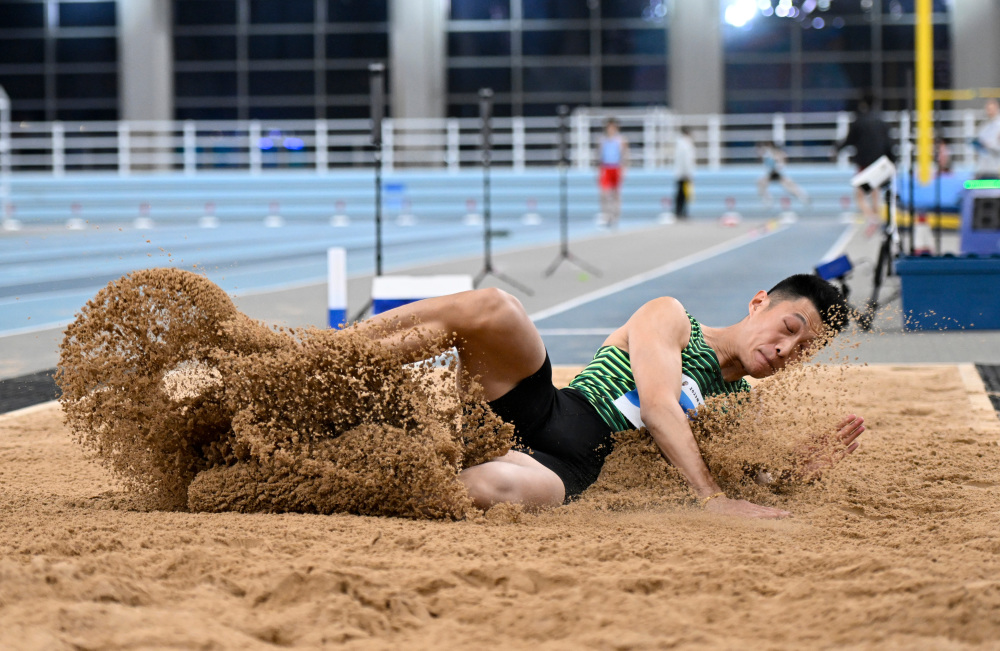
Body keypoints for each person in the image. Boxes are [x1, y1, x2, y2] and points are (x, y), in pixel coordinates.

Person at [351, 274, 864, 519]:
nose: (786, 349)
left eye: (805, 349)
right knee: (495, 306)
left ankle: (341, 476)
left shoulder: (739, 408)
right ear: (758, 303)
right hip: (549, 408)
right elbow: (660, 406)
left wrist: (786, 473)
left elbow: (738, 471)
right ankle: (323, 361)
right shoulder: (672, 318)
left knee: (488, 486)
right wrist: (713, 500)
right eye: (789, 327)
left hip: (572, 469)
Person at [834, 93, 895, 235]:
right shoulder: (882, 122)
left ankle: (872, 218)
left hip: (865, 165)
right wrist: (892, 162)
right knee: (875, 193)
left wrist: (836, 149)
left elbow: (848, 140)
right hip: (879, 165)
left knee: (860, 196)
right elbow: (889, 144)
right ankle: (876, 220)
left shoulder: (859, 121)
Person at [597, 118, 630, 227]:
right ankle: (606, 215)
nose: (610, 129)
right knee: (604, 193)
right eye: (609, 127)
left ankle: (615, 215)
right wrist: (598, 170)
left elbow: (625, 156)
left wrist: (624, 169)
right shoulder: (602, 140)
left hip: (616, 168)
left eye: (612, 127)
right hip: (606, 168)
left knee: (616, 194)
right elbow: (598, 156)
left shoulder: (621, 140)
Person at [757, 141, 809, 209]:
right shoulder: (766, 155)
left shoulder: (779, 154)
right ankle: (767, 199)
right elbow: (765, 164)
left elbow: (783, 163)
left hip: (778, 174)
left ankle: (802, 196)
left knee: (789, 185)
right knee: (760, 183)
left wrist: (778, 161)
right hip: (770, 174)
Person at [972, 98, 1000, 180]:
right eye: (988, 109)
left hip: (996, 168)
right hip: (983, 168)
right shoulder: (984, 125)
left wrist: (989, 145)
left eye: (991, 109)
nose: (989, 111)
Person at [674, 127, 696, 219]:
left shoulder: (681, 143)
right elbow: (686, 160)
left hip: (682, 173)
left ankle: (681, 212)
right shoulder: (685, 144)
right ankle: (681, 212)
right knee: (683, 194)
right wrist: (688, 173)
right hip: (684, 174)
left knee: (682, 194)